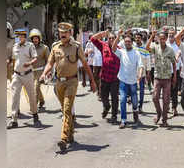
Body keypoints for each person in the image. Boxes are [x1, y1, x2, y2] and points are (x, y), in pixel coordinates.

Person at [40, 22, 97, 152]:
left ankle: (64, 138)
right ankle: (70, 134)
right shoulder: (55, 47)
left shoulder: (76, 47)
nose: (63, 35)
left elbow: (85, 64)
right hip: (59, 82)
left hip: (72, 81)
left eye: (65, 33)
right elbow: (50, 63)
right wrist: (44, 73)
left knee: (66, 109)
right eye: (61, 32)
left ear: (70, 33)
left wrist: (92, 81)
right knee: (65, 109)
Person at [7, 29, 40, 129]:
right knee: (14, 96)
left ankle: (34, 113)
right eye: (18, 36)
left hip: (28, 74)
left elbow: (35, 58)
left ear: (25, 37)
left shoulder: (30, 46)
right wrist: (9, 63)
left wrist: (29, 63)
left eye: (21, 36)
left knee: (31, 96)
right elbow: (13, 59)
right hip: (17, 75)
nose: (19, 38)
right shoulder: (15, 46)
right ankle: (14, 120)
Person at [112, 29, 143, 129]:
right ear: (124, 43)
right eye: (126, 42)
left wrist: (139, 76)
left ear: (132, 42)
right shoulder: (121, 52)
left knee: (134, 101)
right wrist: (118, 36)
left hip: (133, 81)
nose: (127, 43)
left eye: (129, 41)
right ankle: (123, 120)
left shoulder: (136, 52)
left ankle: (135, 112)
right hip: (123, 80)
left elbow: (141, 65)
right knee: (122, 99)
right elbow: (113, 48)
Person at [146, 30, 176, 127]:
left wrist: (174, 76)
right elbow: (146, 48)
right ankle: (159, 113)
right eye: (160, 38)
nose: (162, 40)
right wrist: (152, 36)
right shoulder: (155, 47)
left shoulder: (170, 50)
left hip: (167, 78)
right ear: (158, 39)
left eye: (164, 38)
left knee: (166, 100)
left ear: (166, 39)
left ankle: (164, 119)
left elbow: (174, 63)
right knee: (155, 97)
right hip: (157, 77)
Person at [91, 30, 121, 123]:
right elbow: (93, 39)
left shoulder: (120, 49)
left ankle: (114, 115)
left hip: (115, 78)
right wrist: (102, 33)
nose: (111, 39)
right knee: (103, 96)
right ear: (107, 39)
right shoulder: (103, 45)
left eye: (113, 38)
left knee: (114, 97)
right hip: (104, 76)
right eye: (110, 38)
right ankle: (106, 107)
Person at [29, 28, 50, 109]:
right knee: (35, 88)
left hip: (41, 71)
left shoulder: (45, 48)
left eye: (36, 38)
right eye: (33, 38)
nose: (35, 40)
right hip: (31, 71)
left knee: (36, 87)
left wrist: (48, 72)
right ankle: (42, 100)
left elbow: (49, 60)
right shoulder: (29, 47)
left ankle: (34, 107)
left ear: (39, 38)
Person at [134, 32, 151, 114]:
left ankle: (140, 106)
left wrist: (148, 72)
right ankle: (135, 106)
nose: (137, 39)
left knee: (141, 90)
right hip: (133, 73)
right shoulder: (132, 47)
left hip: (142, 73)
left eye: (139, 38)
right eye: (136, 38)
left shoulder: (145, 48)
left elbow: (148, 61)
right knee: (134, 90)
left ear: (141, 38)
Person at [167, 29, 182, 116]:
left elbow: (178, 59)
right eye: (170, 34)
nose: (171, 36)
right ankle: (167, 107)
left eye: (173, 34)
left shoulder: (178, 45)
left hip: (175, 72)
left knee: (174, 91)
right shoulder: (165, 44)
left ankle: (174, 108)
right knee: (166, 91)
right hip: (166, 72)